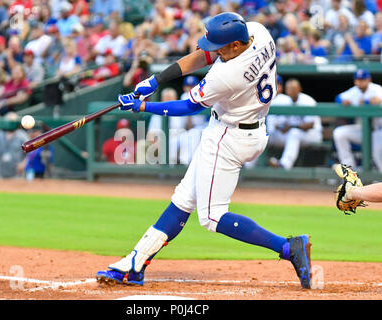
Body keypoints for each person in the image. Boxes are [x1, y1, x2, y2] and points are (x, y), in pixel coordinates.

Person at [97, 12, 312, 289]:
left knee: (212, 216)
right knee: (184, 199)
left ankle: (287, 247)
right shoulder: (258, 32)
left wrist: (141, 106)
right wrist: (156, 80)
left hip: (229, 136)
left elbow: (189, 106)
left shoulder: (227, 75)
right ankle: (135, 264)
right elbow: (204, 55)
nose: (215, 51)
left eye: (221, 47)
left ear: (235, 45)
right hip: (250, 129)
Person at [333, 69, 382, 171]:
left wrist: (367, 101)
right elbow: (338, 98)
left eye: (362, 79)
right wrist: (343, 101)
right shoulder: (354, 91)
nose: (360, 82)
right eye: (358, 79)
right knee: (339, 133)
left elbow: (378, 99)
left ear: (368, 79)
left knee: (378, 153)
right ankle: (350, 171)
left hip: (379, 131)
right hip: (362, 130)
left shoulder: (376, 89)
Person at [268, 78, 322, 170]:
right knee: (267, 136)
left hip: (312, 135)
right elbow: (278, 123)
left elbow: (310, 125)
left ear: (299, 89)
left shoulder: (307, 101)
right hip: (292, 135)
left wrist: (291, 127)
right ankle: (249, 167)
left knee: (294, 132)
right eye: (289, 88)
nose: (291, 90)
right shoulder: (285, 101)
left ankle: (284, 165)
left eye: (294, 88)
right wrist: (282, 127)